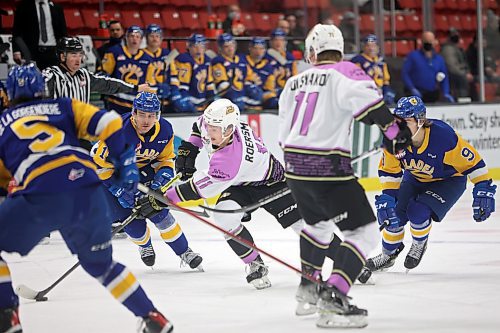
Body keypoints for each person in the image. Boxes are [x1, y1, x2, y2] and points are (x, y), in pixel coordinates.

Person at [0, 64, 172, 333]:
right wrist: (125, 162)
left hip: (41, 194)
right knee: (102, 265)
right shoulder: (62, 106)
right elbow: (111, 122)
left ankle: (6, 316)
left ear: (8, 95)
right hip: (88, 190)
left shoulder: (2, 123)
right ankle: (152, 317)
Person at [278, 24, 412, 328]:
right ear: (339, 50)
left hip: (294, 167)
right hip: (327, 167)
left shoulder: (294, 81)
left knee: (318, 225)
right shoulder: (346, 71)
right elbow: (372, 107)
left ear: (312, 52)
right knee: (363, 233)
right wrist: (395, 132)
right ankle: (334, 300)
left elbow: (285, 129)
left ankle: (308, 290)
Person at [157, 98, 345, 291]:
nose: (209, 132)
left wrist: (164, 198)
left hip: (272, 183)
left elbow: (198, 189)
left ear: (230, 130)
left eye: (214, 129)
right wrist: (189, 150)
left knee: (305, 227)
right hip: (240, 183)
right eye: (210, 127)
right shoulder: (215, 123)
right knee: (223, 217)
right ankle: (255, 263)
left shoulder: (230, 159)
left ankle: (348, 261)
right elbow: (199, 126)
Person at [364, 96, 496, 273]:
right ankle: (388, 255)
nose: (399, 126)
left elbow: (474, 164)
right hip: (415, 178)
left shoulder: (443, 138)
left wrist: (483, 189)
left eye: (406, 121)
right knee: (392, 215)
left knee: (418, 212)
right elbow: (390, 172)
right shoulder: (393, 139)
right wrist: (388, 196)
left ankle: (419, 244)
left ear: (421, 121)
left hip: (448, 181)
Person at [92, 91, 203, 270]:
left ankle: (185, 252)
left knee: (159, 213)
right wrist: (118, 190)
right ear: (134, 112)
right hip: (113, 175)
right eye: (142, 114)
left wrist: (163, 177)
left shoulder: (165, 130)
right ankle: (145, 246)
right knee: (131, 220)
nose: (146, 120)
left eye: (151, 115)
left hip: (143, 171)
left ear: (157, 116)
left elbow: (165, 159)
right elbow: (98, 165)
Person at [43, 37, 150, 104]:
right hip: (57, 130)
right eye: (73, 55)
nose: (78, 59)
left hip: (78, 129)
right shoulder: (51, 74)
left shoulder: (84, 75)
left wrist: (135, 87)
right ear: (62, 57)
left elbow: (108, 84)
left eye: (80, 55)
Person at [100, 26, 153, 114]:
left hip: (136, 107)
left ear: (141, 39)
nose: (134, 39)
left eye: (137, 36)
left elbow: (149, 83)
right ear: (126, 38)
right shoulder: (114, 52)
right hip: (115, 103)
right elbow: (103, 75)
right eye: (131, 36)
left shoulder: (147, 59)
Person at [142, 24, 186, 113]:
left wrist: (173, 90)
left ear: (161, 39)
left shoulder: (167, 54)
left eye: (157, 36)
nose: (155, 39)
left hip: (167, 96)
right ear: (146, 38)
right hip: (147, 97)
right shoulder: (141, 55)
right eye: (151, 36)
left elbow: (174, 74)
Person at [211, 33, 260, 112]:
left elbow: (250, 77)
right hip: (226, 97)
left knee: (256, 93)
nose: (230, 49)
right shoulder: (218, 62)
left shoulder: (241, 60)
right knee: (237, 102)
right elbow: (222, 86)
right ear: (220, 48)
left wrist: (250, 87)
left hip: (241, 94)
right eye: (226, 46)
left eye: (231, 45)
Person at [12, 0, 67, 70]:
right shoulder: (24, 6)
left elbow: (63, 32)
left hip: (53, 52)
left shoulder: (56, 7)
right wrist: (16, 50)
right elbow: (17, 30)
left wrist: (65, 50)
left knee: (53, 79)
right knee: (33, 79)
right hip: (32, 53)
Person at [402, 31, 454, 103]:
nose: (428, 44)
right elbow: (405, 74)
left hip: (432, 94)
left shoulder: (439, 59)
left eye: (430, 41)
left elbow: (444, 77)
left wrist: (446, 93)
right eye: (426, 41)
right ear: (422, 42)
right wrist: (412, 88)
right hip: (416, 94)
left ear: (435, 42)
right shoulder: (413, 56)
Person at [174, 33, 215, 113]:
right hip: (190, 101)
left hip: (203, 102)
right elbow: (183, 87)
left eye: (201, 47)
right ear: (189, 47)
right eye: (195, 46)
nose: (199, 49)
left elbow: (209, 85)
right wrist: (186, 101)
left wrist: (211, 100)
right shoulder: (184, 60)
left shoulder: (207, 60)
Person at [351, 34, 396, 105]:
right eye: (368, 46)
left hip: (380, 91)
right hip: (365, 92)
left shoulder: (381, 60)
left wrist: (386, 90)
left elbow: (386, 79)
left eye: (373, 46)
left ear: (378, 47)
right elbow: (357, 80)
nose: (371, 48)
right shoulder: (358, 60)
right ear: (364, 47)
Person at [245, 37, 279, 110]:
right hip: (244, 93)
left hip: (260, 94)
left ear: (265, 50)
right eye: (255, 48)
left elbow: (269, 87)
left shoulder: (268, 66)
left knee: (274, 100)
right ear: (250, 48)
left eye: (261, 49)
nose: (258, 52)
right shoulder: (242, 61)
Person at [440, 28, 474, 99]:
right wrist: (464, 74)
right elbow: (452, 67)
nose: (455, 36)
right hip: (455, 79)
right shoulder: (448, 49)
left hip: (460, 76)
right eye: (453, 34)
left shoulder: (457, 48)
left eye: (456, 34)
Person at [265, 29, 297, 95]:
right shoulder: (265, 56)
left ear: (285, 42)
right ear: (270, 42)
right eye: (275, 40)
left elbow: (295, 75)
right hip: (272, 89)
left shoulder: (289, 57)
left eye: (281, 40)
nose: (278, 43)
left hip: (287, 88)